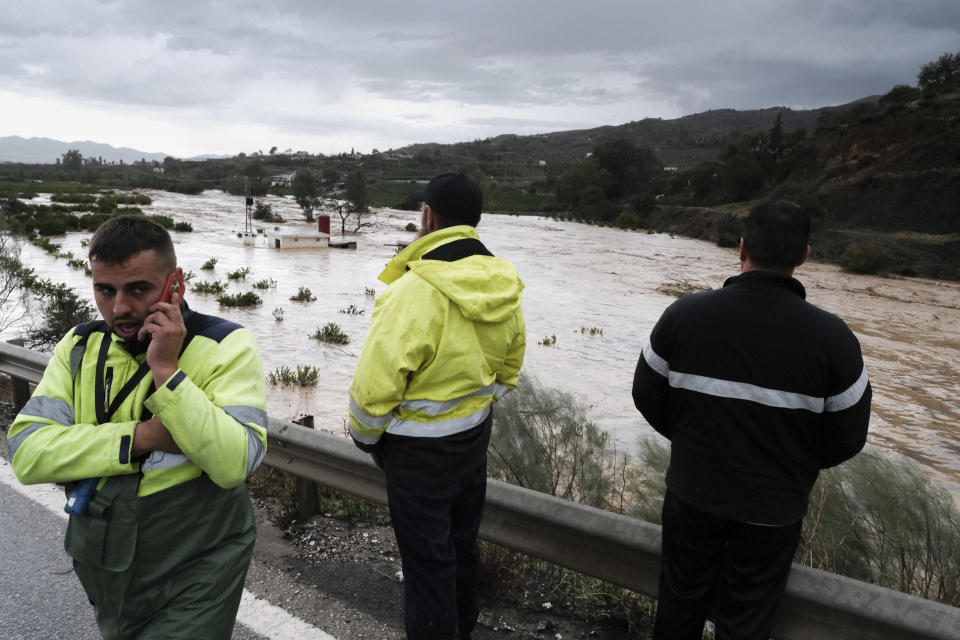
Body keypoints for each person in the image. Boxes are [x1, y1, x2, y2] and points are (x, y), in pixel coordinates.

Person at [7, 215, 268, 639]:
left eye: (138, 289)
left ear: (175, 284)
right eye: (104, 290)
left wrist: (166, 370)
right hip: (104, 558)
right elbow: (26, 452)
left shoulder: (225, 345)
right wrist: (141, 438)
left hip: (197, 559)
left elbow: (235, 462)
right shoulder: (79, 346)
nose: (120, 308)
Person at [632, 200, 872, 639]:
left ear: (741, 248)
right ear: (804, 256)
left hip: (692, 493)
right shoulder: (835, 339)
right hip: (774, 509)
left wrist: (692, 443)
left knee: (678, 607)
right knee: (746, 622)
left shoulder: (685, 315)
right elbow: (849, 436)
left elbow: (646, 395)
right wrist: (790, 466)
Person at [348, 172, 526, 639]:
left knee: (428, 566)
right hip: (473, 443)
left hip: (416, 458)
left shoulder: (412, 291)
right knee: (462, 550)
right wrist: (473, 411)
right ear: (476, 220)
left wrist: (368, 439)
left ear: (427, 216)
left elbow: (375, 389)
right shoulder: (504, 282)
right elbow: (510, 367)